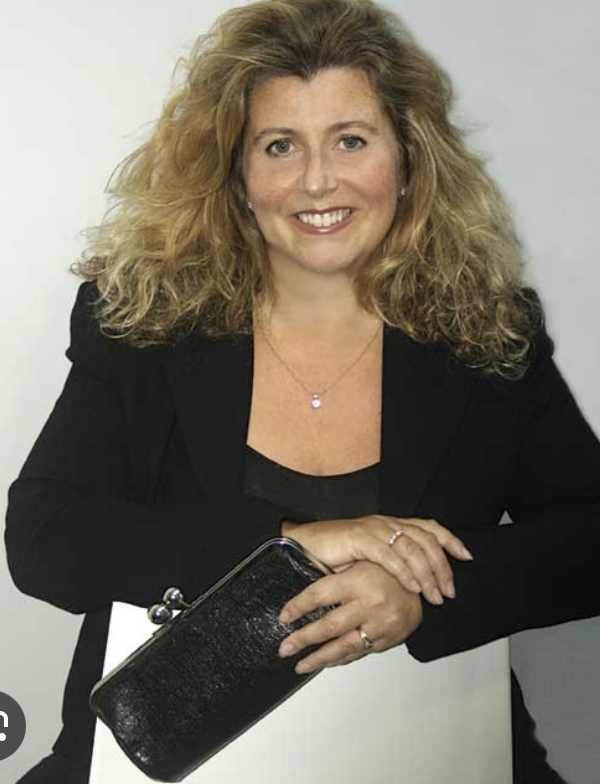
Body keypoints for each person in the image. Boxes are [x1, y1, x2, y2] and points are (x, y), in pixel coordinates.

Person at [5, 0, 600, 781]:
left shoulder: (489, 332)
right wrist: (286, 547)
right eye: (280, 145)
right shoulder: (141, 322)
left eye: (351, 139)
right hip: (174, 758)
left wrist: (425, 597)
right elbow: (44, 539)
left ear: (408, 159)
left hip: (427, 752)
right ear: (238, 173)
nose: (317, 180)